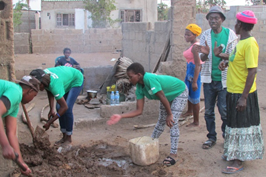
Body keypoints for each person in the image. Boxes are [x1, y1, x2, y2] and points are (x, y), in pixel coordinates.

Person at [107, 62, 188, 166]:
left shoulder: (149, 79)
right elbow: (138, 111)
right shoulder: (139, 88)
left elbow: (162, 97)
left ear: (139, 75)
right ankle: (150, 145)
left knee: (172, 122)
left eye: (131, 77)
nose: (129, 80)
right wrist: (121, 116)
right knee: (160, 122)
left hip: (179, 91)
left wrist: (169, 114)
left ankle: (173, 154)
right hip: (166, 97)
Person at [218, 10, 264, 174]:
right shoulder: (240, 42)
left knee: (241, 124)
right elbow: (235, 61)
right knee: (234, 123)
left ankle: (238, 160)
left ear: (242, 25)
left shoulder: (250, 43)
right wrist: (225, 63)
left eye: (237, 23)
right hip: (233, 89)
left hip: (242, 92)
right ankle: (234, 153)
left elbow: (252, 71)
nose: (235, 25)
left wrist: (244, 98)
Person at [197, 6, 238, 149]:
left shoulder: (230, 34)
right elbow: (202, 57)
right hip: (209, 80)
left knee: (224, 111)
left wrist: (223, 61)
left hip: (224, 81)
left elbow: (233, 56)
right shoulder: (205, 35)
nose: (213, 20)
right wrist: (205, 54)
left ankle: (227, 137)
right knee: (208, 111)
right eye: (210, 18)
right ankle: (211, 137)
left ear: (222, 19)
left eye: (216, 18)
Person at [30, 66, 84, 146]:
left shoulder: (54, 85)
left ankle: (68, 138)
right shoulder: (43, 77)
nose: (36, 88)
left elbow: (64, 107)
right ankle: (64, 136)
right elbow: (49, 91)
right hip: (64, 79)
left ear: (42, 83)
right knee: (58, 108)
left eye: (37, 86)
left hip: (75, 79)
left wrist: (50, 122)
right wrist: (51, 109)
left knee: (67, 109)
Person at [0, 76, 40, 176]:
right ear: (30, 91)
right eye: (34, 96)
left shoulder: (15, 105)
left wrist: (21, 163)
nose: (31, 100)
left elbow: (11, 133)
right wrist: (5, 145)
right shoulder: (15, 91)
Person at [182, 24, 203, 127]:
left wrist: (195, 81)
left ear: (195, 35)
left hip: (195, 74)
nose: (186, 36)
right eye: (185, 34)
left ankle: (196, 121)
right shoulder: (192, 44)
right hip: (190, 72)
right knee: (188, 93)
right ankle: (189, 111)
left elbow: (198, 64)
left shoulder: (196, 46)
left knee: (195, 98)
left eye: (188, 35)